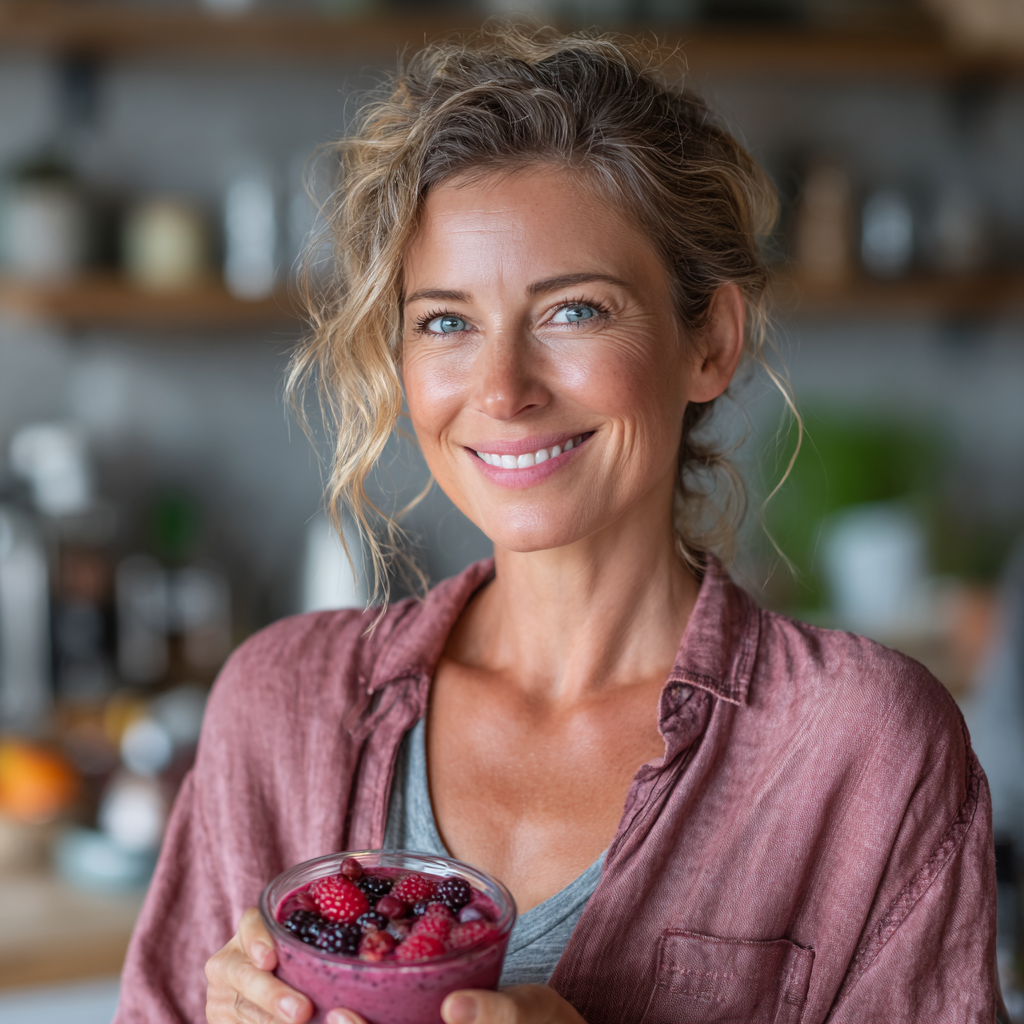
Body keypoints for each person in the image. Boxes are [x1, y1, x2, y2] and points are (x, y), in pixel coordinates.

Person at [114, 26, 1004, 1024]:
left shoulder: (861, 749)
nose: (501, 388)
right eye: (446, 322)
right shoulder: (277, 711)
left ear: (709, 341)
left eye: (573, 311)